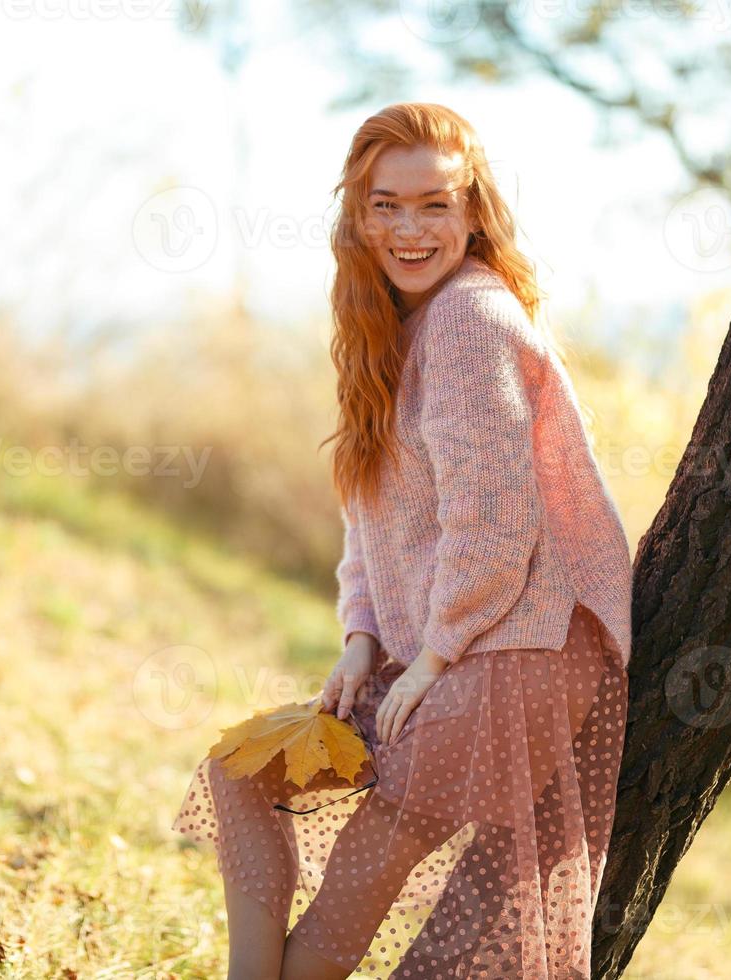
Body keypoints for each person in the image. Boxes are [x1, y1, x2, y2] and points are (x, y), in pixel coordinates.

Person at [172, 101, 633, 979]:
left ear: (473, 211)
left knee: (368, 855)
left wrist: (430, 660)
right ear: (358, 212)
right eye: (387, 204)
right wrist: (362, 640)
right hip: (455, 643)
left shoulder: (470, 320)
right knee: (242, 776)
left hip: (519, 642)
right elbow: (369, 518)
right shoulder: (391, 333)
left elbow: (495, 524)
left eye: (435, 204)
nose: (410, 229)